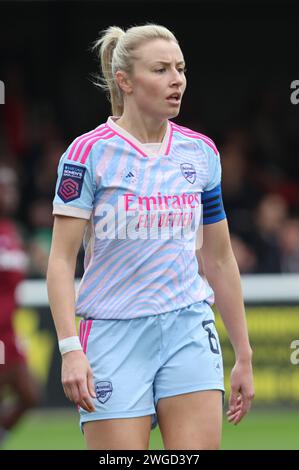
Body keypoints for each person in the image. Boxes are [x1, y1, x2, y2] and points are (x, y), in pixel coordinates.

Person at [47, 24, 254, 450]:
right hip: (112, 336)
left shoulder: (201, 152)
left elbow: (219, 258)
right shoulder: (87, 154)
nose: (176, 79)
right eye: (160, 69)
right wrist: (70, 349)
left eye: (180, 68)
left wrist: (244, 355)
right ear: (124, 81)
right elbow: (62, 261)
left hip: (188, 329)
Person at [0, 164, 40, 446]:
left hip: (9, 333)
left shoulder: (13, 231)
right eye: (4, 188)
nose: (11, 194)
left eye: (13, 187)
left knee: (30, 394)